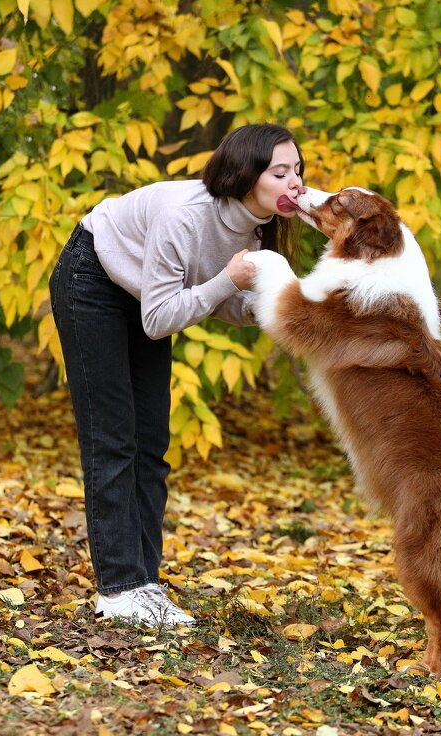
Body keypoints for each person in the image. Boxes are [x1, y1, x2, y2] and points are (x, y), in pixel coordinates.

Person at [49, 123, 306, 627]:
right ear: (246, 173)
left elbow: (217, 302)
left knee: (151, 443)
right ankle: (119, 589)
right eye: (280, 172)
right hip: (92, 278)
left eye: (297, 170)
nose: (295, 182)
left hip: (147, 298)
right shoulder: (185, 216)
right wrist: (227, 280)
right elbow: (161, 318)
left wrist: (274, 306)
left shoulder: (256, 230)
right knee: (114, 437)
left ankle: (144, 584)